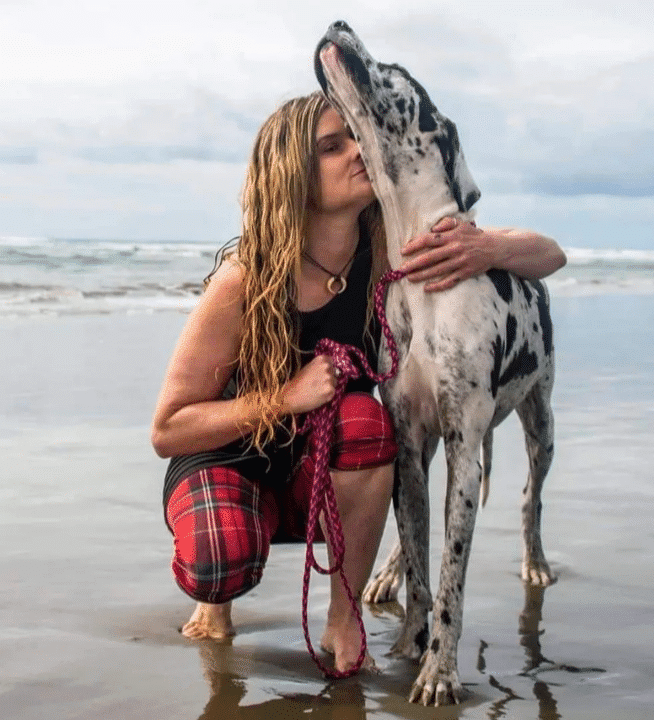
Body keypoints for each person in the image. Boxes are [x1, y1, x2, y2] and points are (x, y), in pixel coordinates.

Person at [151, 91, 566, 673]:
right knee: (221, 558)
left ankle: (343, 619)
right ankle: (216, 599)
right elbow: (169, 429)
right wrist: (284, 397)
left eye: (357, 137)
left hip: (319, 464)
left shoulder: (388, 254)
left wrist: (487, 246)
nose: (358, 151)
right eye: (332, 146)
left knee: (369, 424)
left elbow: (551, 255)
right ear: (293, 174)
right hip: (229, 458)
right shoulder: (244, 278)